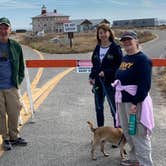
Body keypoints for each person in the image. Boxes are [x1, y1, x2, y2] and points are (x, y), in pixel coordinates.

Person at [112, 31, 154, 166]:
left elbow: (145, 84)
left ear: (137, 42)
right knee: (128, 131)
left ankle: (146, 163)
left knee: (139, 133)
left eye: (129, 40)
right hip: (123, 101)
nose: (126, 42)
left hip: (135, 102)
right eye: (124, 40)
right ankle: (135, 160)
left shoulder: (143, 60)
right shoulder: (125, 58)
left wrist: (135, 103)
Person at [0, 17, 27, 151]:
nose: (3, 31)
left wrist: (18, 80)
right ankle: (5, 139)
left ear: (10, 30)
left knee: (14, 112)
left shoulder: (16, 46)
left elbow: (21, 66)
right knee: (0, 115)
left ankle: (14, 137)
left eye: (5, 28)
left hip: (12, 86)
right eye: (0, 28)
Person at [89, 23, 123, 128]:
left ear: (109, 33)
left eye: (104, 32)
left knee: (114, 109)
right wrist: (92, 76)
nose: (102, 35)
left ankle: (118, 134)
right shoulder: (97, 48)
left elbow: (120, 66)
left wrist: (107, 72)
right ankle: (100, 134)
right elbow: (94, 64)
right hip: (98, 83)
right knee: (99, 108)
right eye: (100, 33)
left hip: (111, 83)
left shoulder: (115, 48)